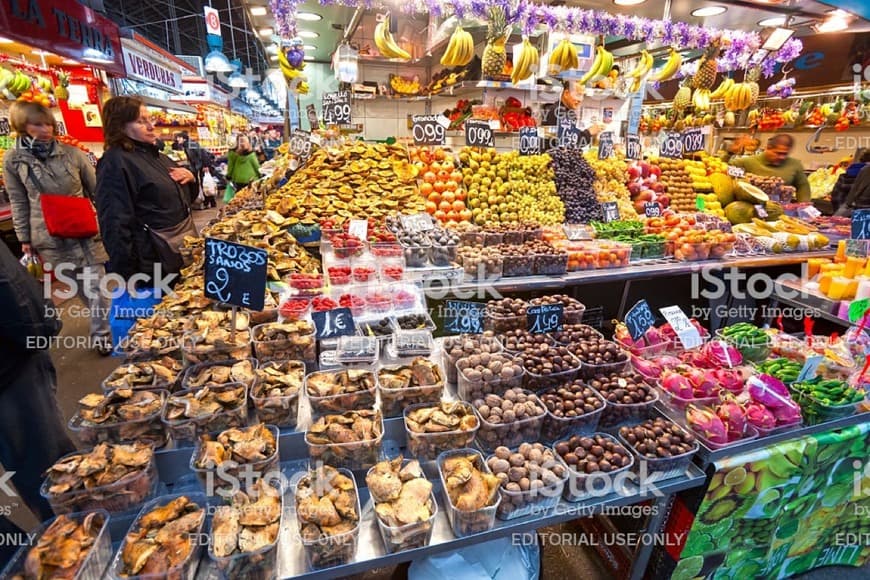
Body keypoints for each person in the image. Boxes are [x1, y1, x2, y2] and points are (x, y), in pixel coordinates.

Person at [3, 101, 112, 354]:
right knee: (79, 286)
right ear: (22, 126)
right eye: (38, 124)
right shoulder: (13, 160)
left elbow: (97, 188)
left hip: (83, 229)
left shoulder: (72, 153)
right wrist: (24, 238)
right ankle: (101, 322)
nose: (46, 129)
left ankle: (102, 335)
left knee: (97, 286)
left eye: (49, 124)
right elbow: (18, 200)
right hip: (49, 235)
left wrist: (107, 218)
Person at [0, 241, 77, 555]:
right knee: (47, 469)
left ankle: (74, 551)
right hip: (11, 367)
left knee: (48, 474)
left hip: (9, 365)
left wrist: (37, 325)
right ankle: (61, 555)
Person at [96, 96, 198, 281]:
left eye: (149, 119)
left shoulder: (156, 156)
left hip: (177, 251)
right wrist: (129, 274)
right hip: (151, 262)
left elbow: (184, 199)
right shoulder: (115, 162)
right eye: (140, 122)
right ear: (120, 127)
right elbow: (114, 222)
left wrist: (191, 178)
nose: (151, 126)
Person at [727, 134, 812, 202]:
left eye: (785, 154)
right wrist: (730, 151)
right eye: (778, 153)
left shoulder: (794, 165)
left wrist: (804, 206)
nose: (782, 157)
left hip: (780, 211)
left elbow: (802, 186)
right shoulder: (747, 162)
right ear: (768, 148)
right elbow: (726, 169)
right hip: (751, 209)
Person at [224, 134, 260, 202]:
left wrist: (228, 176)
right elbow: (257, 167)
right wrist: (261, 175)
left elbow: (230, 166)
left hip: (238, 180)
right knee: (250, 199)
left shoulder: (233, 154)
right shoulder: (251, 154)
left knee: (239, 199)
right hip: (251, 180)